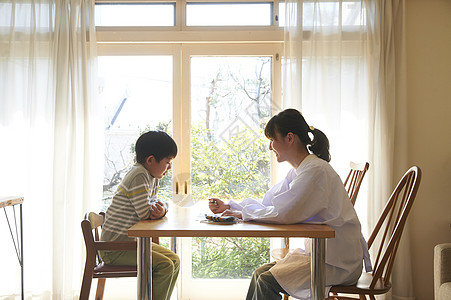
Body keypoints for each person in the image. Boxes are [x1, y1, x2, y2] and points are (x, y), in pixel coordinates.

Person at [209, 109, 369, 300]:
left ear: (290, 138)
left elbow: (283, 213)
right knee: (260, 274)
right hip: (325, 256)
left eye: (272, 140)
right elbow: (269, 202)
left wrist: (243, 214)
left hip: (336, 263)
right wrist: (232, 206)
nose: (270, 147)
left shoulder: (315, 171)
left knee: (266, 281)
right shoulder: (301, 170)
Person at [100, 131, 180, 300]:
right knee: (165, 265)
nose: (169, 168)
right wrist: (156, 211)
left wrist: (163, 209)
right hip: (115, 248)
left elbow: (156, 203)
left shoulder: (152, 176)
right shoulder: (139, 174)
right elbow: (145, 213)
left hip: (130, 243)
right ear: (150, 160)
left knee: (174, 260)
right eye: (167, 162)